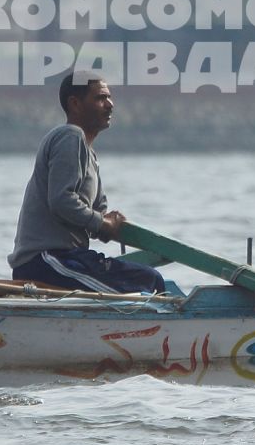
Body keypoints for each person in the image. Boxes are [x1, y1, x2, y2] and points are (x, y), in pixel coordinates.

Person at [9, 74, 166, 294]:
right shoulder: (70, 136)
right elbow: (62, 201)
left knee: (149, 280)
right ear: (75, 104)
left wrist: (110, 222)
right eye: (100, 98)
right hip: (45, 260)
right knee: (147, 283)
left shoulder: (88, 153)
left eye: (109, 98)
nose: (110, 105)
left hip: (68, 258)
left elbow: (95, 216)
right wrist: (103, 223)